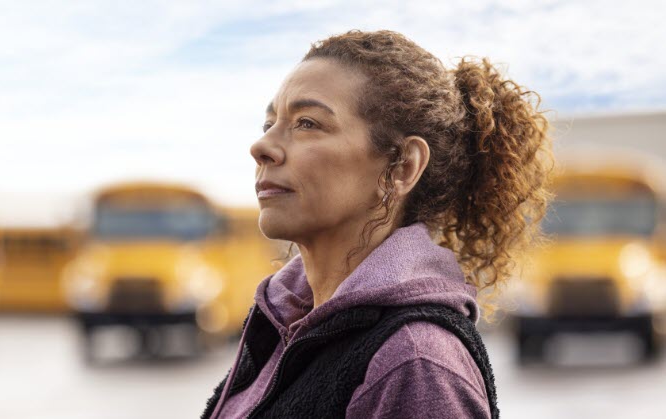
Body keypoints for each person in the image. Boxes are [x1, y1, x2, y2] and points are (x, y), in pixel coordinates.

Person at [202, 29, 552, 419]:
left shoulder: (415, 362)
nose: (262, 146)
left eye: (307, 123)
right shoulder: (285, 325)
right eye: (269, 124)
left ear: (402, 166)